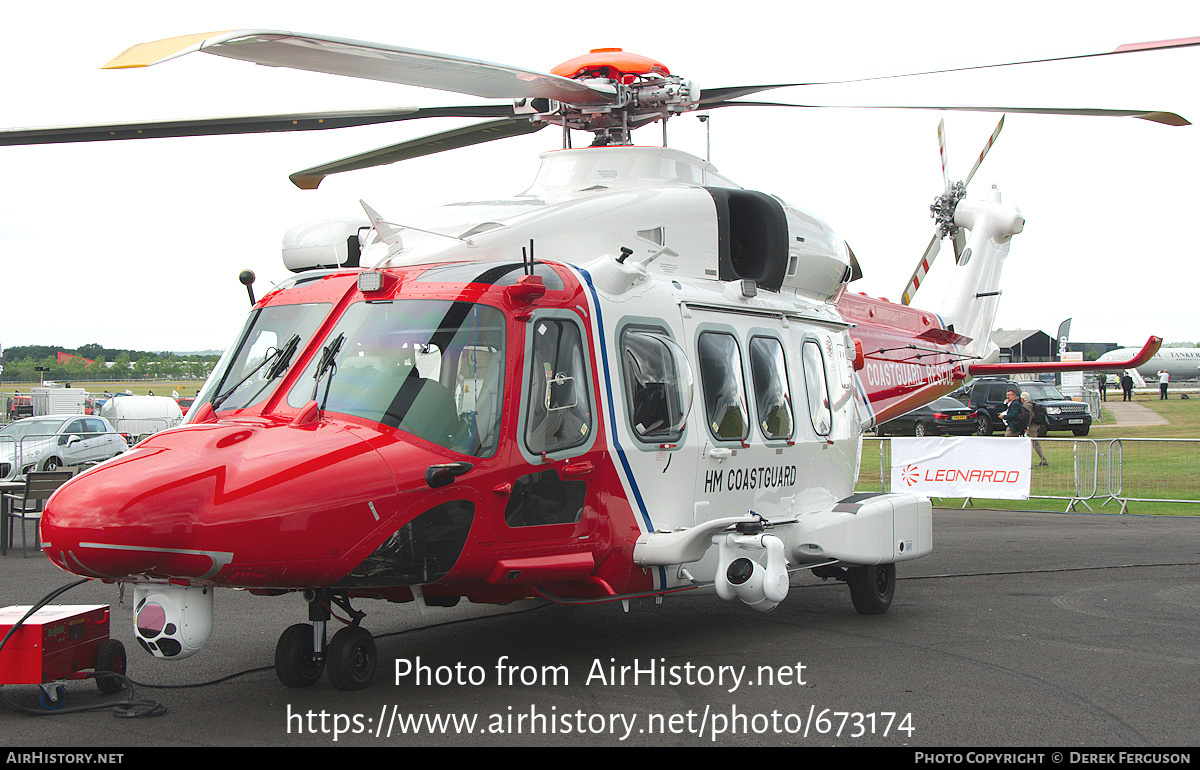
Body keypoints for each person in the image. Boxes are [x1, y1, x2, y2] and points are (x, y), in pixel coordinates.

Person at [1022, 391, 1048, 466]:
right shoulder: (1031, 404)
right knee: (1034, 442)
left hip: (1031, 427)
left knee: (1035, 443)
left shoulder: (1027, 405)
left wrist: (1027, 425)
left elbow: (1028, 416)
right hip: (1034, 425)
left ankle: (1044, 459)